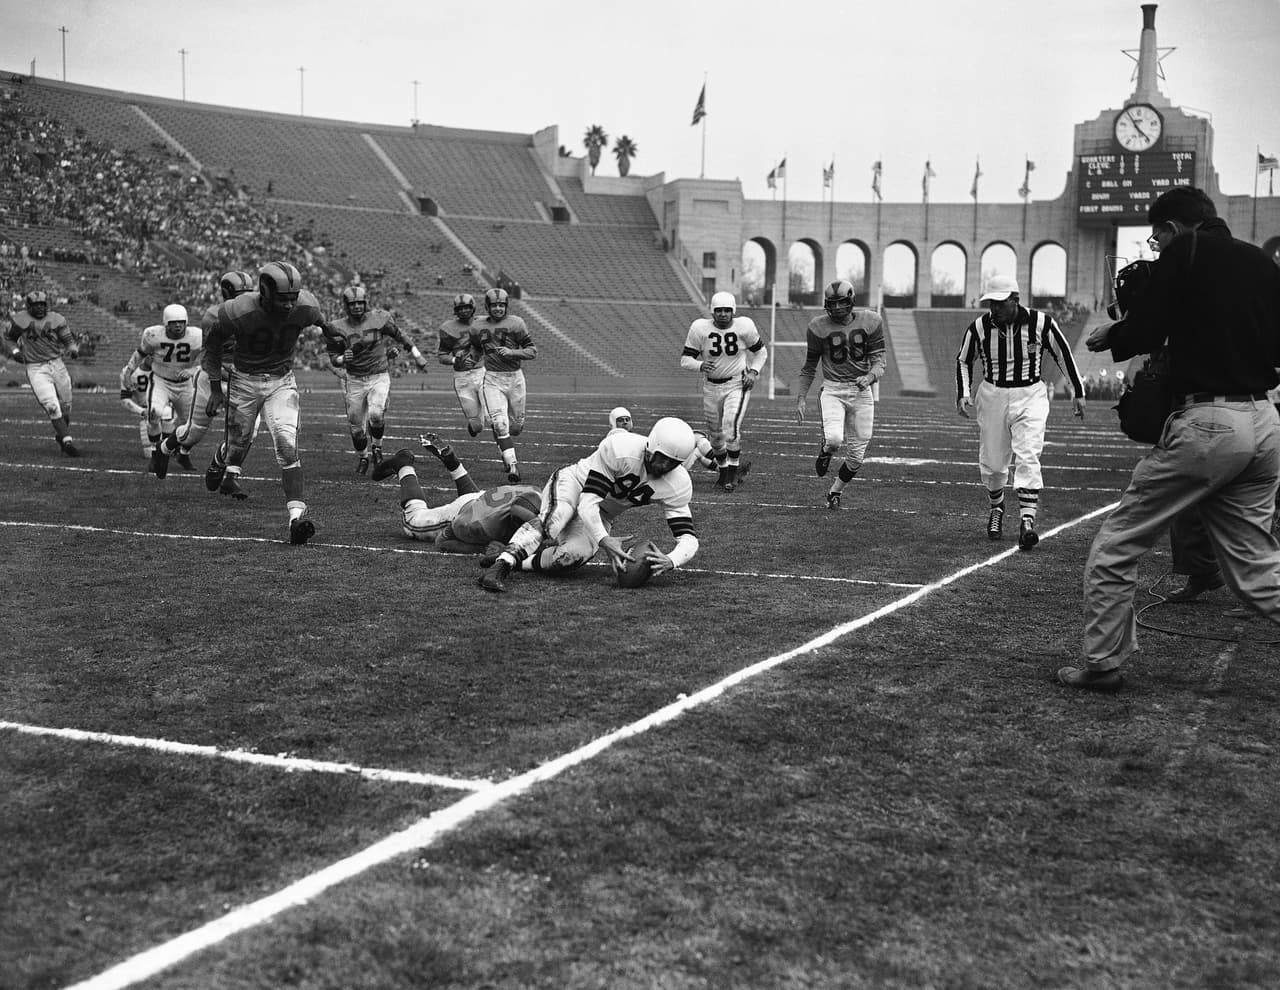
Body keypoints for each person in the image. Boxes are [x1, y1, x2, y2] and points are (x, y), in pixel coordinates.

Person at [1060, 185, 1280, 691]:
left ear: (1176, 227)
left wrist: (1111, 335)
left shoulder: (1186, 250)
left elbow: (1147, 329)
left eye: (1157, 235)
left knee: (1116, 546)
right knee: (1257, 574)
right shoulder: (1261, 262)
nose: (1156, 246)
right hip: (1263, 421)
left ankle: (1103, 663)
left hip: (1208, 422)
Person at [203, 261, 347, 544]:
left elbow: (318, 320)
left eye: (293, 298)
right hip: (244, 381)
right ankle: (221, 459)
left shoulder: (306, 306)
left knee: (286, 445)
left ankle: (296, 518)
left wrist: (328, 329)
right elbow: (213, 345)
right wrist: (215, 389)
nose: (288, 305)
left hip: (282, 380)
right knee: (237, 446)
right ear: (265, 293)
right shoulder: (239, 311)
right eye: (282, 299)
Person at [479, 416, 700, 593]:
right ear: (651, 446)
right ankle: (500, 568)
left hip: (602, 513)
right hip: (575, 485)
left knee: (570, 558)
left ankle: (510, 556)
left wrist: (671, 560)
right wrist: (604, 539)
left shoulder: (678, 484)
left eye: (673, 463)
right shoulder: (622, 449)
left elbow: (688, 539)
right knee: (556, 518)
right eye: (662, 458)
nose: (664, 466)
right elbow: (587, 502)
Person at [955, 274, 1086, 549]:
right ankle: (997, 507)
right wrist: (964, 392)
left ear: (1015, 299)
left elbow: (1063, 353)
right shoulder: (979, 327)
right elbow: (964, 360)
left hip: (1030, 394)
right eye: (991, 303)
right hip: (993, 394)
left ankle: (1027, 521)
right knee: (992, 464)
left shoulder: (1041, 322)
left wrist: (1077, 390)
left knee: (1028, 453)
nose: (995, 309)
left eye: (1001, 303)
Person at [794, 279, 887, 510]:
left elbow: (880, 362)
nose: (836, 308)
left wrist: (869, 377)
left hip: (861, 391)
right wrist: (801, 398)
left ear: (851, 301)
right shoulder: (817, 327)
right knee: (835, 439)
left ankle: (834, 492)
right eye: (832, 304)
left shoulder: (871, 321)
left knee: (856, 456)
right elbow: (809, 366)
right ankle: (826, 450)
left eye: (841, 303)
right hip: (833, 389)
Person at [158, 271, 253, 484]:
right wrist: (216, 388)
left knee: (247, 433)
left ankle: (225, 472)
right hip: (213, 379)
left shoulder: (256, 313)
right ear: (227, 293)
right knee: (193, 432)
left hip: (243, 381)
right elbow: (211, 355)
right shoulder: (215, 315)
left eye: (249, 293)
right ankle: (163, 448)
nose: (246, 298)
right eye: (241, 294)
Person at [371, 433, 542, 552]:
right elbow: (442, 542)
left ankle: (453, 464)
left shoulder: (535, 493)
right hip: (463, 514)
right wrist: (485, 548)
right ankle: (403, 464)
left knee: (478, 504)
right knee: (413, 521)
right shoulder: (480, 526)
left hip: (482, 498)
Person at [327, 284, 429, 474]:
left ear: (365, 303)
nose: (357, 307)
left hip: (378, 375)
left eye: (360, 303)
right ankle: (363, 456)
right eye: (353, 304)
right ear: (346, 306)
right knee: (356, 425)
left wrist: (417, 355)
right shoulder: (337, 327)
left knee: (375, 414)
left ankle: (377, 448)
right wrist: (341, 358)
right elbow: (333, 356)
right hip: (355, 379)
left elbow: (401, 336)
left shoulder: (379, 319)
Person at [680, 290, 767, 492]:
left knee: (730, 428)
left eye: (727, 310)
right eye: (719, 311)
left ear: (733, 311)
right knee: (716, 437)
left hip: (736, 384)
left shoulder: (744, 326)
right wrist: (700, 365)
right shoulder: (699, 328)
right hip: (711, 387)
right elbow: (685, 360)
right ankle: (723, 471)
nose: (723, 314)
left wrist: (753, 372)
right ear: (712, 311)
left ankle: (732, 474)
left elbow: (761, 352)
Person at [119, 304, 202, 479]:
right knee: (154, 413)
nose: (178, 326)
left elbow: (212, 357)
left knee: (193, 427)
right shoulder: (153, 335)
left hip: (186, 384)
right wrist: (128, 371)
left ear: (186, 322)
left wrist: (195, 370)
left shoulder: (197, 336)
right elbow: (140, 353)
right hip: (161, 381)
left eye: (181, 322)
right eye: (174, 323)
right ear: (166, 324)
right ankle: (157, 454)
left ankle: (182, 453)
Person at [4, 289, 81, 456]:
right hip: (36, 368)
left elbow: (68, 340)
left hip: (57, 364)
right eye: (36, 305)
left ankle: (61, 435)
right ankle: (67, 442)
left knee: (66, 407)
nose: (39, 308)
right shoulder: (20, 320)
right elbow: (9, 339)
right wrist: (16, 352)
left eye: (42, 305)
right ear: (29, 306)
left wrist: (73, 349)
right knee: (52, 406)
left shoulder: (57, 319)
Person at [475, 287, 536, 482]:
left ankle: (504, 444)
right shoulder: (477, 325)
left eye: (502, 305)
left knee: (515, 427)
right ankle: (512, 465)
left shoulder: (516, 323)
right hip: (492, 379)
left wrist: (513, 353)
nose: (498, 308)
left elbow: (532, 351)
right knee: (501, 424)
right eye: (494, 305)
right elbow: (476, 350)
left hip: (515, 378)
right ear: (487, 306)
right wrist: (468, 359)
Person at [436, 293, 487, 437]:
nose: (464, 311)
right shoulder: (448, 328)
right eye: (461, 308)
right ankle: (475, 424)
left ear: (473, 308)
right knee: (477, 426)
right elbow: (442, 355)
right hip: (462, 377)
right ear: (456, 310)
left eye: (467, 307)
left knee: (494, 415)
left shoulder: (483, 322)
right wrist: (454, 360)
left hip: (481, 373)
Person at [120, 356, 154, 465]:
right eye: (151, 354)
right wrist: (142, 411)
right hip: (147, 413)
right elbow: (125, 400)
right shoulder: (129, 373)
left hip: (166, 410)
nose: (154, 357)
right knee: (150, 453)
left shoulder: (164, 370)